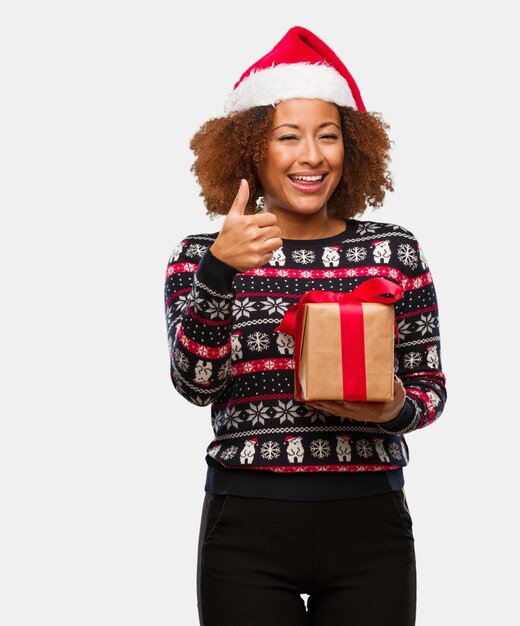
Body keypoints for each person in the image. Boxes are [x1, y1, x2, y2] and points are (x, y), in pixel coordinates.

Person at [163, 25, 447, 626]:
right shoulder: (199, 255)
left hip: (370, 526)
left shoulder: (393, 251)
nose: (311, 156)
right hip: (246, 525)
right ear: (250, 149)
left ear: (354, 147)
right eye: (287, 137)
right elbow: (194, 385)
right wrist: (219, 272)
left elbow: (430, 392)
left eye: (328, 136)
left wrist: (391, 407)